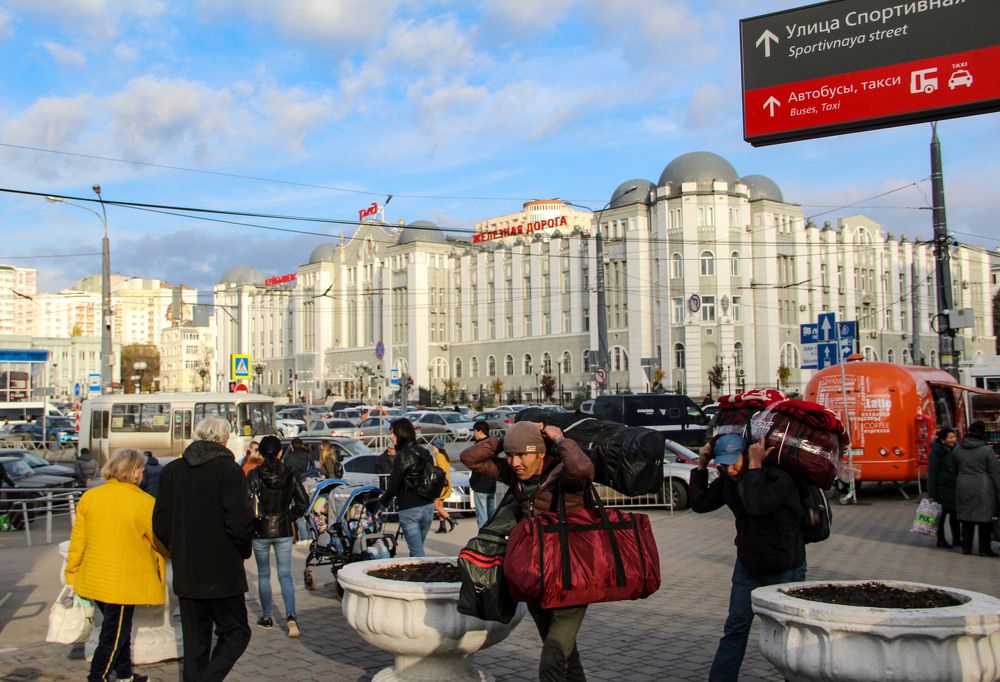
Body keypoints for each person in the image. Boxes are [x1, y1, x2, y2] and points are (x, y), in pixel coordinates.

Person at [462, 420, 595, 682]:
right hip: (536, 577)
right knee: (567, 656)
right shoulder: (516, 476)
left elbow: (583, 469)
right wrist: (506, 439)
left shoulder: (564, 477)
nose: (515, 463)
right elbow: (470, 458)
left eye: (522, 454)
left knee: (553, 660)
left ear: (541, 453)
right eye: (510, 456)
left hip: (571, 578)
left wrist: (558, 439)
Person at [690, 433, 806, 682]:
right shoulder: (729, 480)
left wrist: (755, 467)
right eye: (723, 464)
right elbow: (699, 503)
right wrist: (700, 466)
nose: (729, 469)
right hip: (749, 565)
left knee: (787, 631)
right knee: (735, 628)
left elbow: (757, 506)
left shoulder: (779, 478)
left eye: (734, 462)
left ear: (747, 455)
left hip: (785, 564)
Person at [153, 416, 254, 682]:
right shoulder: (229, 471)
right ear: (224, 439)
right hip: (223, 571)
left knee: (195, 643)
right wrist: (241, 550)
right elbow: (240, 522)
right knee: (237, 633)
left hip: (188, 570)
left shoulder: (173, 471)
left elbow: (160, 524)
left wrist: (179, 549)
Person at [65, 448, 166, 682]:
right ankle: (97, 677)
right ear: (133, 471)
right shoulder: (143, 502)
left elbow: (78, 541)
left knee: (120, 629)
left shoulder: (91, 497)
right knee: (114, 635)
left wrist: (72, 572)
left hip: (95, 578)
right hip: (123, 580)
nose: (142, 473)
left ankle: (124, 675)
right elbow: (159, 541)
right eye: (140, 468)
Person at [247, 435, 309, 637]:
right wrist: (288, 516)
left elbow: (247, 504)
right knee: (285, 574)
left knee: (264, 574)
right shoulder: (290, 473)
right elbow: (303, 502)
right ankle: (291, 616)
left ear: (261, 453)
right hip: (282, 528)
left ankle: (267, 616)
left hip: (261, 529)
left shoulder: (255, 474)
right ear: (281, 452)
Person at [379, 418, 437, 557]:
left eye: (393, 433)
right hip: (428, 506)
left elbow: (394, 484)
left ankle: (421, 577)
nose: (391, 436)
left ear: (402, 433)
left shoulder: (403, 455)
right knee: (418, 548)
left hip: (410, 508)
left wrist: (383, 502)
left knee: (417, 552)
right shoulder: (424, 452)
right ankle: (418, 575)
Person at [953, 421, 1000, 557]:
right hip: (984, 486)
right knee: (985, 519)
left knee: (967, 518)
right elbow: (994, 472)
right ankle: (984, 549)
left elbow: (953, 467)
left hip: (963, 484)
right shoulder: (987, 450)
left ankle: (966, 547)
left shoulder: (958, 449)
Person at [928, 427, 961, 549]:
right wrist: (931, 494)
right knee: (940, 516)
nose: (954, 439)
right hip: (941, 489)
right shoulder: (936, 453)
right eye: (950, 437)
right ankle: (940, 540)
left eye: (954, 437)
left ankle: (957, 539)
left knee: (955, 515)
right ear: (943, 440)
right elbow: (932, 474)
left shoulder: (956, 450)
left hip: (954, 488)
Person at [282, 438, 314, 544]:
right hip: (307, 484)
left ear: (292, 446)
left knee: (297, 511)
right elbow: (312, 469)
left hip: (293, 485)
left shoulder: (288, 458)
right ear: (301, 445)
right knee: (308, 510)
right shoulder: (308, 456)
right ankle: (311, 534)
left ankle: (303, 536)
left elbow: (285, 471)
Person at [468, 421, 497, 528]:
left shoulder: (478, 446)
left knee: (482, 517)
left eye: (474, 431)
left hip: (480, 484)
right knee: (491, 516)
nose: (474, 434)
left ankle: (483, 539)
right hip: (491, 483)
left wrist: (472, 481)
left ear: (479, 431)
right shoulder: (493, 444)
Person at [430, 438, 456, 534]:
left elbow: (440, 471)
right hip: (445, 484)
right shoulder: (443, 455)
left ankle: (450, 519)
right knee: (440, 505)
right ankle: (442, 526)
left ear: (437, 447)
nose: (432, 447)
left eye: (433, 445)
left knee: (436, 505)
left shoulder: (439, 456)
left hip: (441, 485)